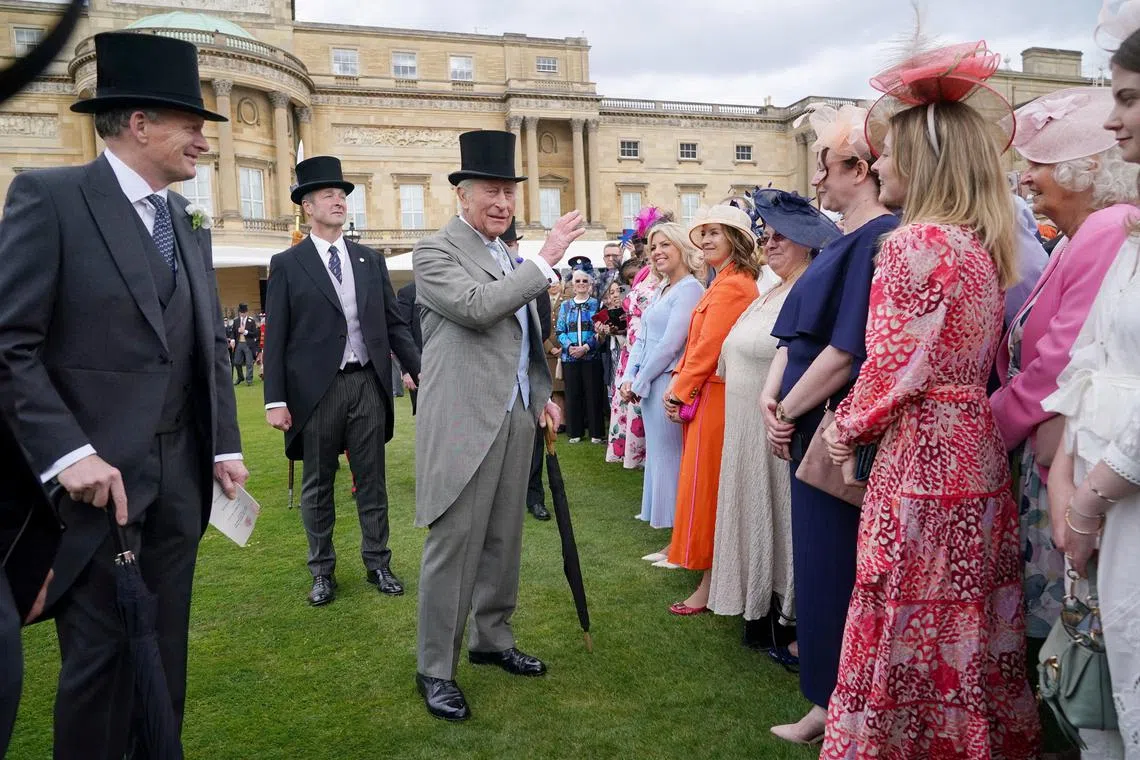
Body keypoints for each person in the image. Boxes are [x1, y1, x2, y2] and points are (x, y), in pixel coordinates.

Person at [0, 32, 248, 757]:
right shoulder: (51, 198)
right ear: (140, 123)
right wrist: (66, 453)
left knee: (164, 657)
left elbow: (203, 348)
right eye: (193, 125)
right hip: (90, 493)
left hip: (180, 486)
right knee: (102, 666)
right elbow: (8, 344)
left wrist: (224, 444)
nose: (205, 142)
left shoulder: (183, 224)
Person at [819, 42, 1040, 756]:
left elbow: (891, 368)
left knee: (904, 612)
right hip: (972, 455)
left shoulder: (916, 243)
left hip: (921, 462)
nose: (877, 164)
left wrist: (843, 428)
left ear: (920, 160)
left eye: (885, 153)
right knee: (963, 621)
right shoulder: (978, 247)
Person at [412, 129, 581, 722]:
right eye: (491, 190)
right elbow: (481, 310)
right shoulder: (434, 252)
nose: (503, 202)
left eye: (509, 192)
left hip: (515, 419)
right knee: (454, 545)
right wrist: (544, 258)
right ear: (462, 194)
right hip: (462, 421)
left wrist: (540, 396)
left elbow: (527, 338)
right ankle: (435, 668)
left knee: (503, 540)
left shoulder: (508, 255)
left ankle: (492, 639)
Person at [988, 87, 1138, 753]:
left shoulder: (1108, 230)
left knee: (1091, 628)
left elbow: (1060, 364)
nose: (1028, 179)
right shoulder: (1090, 233)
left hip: (1083, 463)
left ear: (1084, 171)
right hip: (1062, 456)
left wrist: (987, 426)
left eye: (1041, 165)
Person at [762, 102, 898, 746]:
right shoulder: (844, 241)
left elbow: (847, 350)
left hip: (831, 431)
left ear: (860, 168)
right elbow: (795, 336)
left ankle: (838, 703)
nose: (817, 182)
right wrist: (777, 399)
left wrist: (787, 409)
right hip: (805, 422)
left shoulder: (878, 237)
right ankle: (825, 698)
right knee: (818, 568)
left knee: (835, 568)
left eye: (826, 167)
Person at [1038, 22, 1140, 755]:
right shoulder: (1132, 234)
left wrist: (1094, 493)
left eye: (1130, 100)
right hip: (1103, 491)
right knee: (1117, 671)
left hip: (1125, 490)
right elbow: (1090, 356)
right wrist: (1069, 469)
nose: (1112, 120)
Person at [263, 156, 420, 607]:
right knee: (318, 484)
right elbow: (277, 339)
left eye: (342, 195)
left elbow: (394, 324)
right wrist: (275, 399)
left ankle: (378, 562)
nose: (339, 201)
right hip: (316, 391)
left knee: (372, 480)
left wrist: (418, 368)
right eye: (329, 195)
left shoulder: (369, 259)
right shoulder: (287, 263)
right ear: (307, 206)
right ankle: (322, 571)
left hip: (367, 385)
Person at [708, 189, 840, 651]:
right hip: (748, 427)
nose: (772, 243)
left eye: (785, 236)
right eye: (768, 235)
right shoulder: (773, 289)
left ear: (810, 242)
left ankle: (787, 615)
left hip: (779, 428)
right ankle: (757, 604)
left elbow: (816, 356)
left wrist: (787, 409)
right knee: (754, 511)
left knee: (780, 516)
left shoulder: (813, 286)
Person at [663, 203, 760, 614]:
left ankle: (708, 582)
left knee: (706, 489)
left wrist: (678, 390)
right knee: (702, 486)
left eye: (715, 233)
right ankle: (705, 571)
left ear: (735, 240)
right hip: (709, 393)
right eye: (702, 233)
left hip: (715, 396)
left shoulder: (735, 284)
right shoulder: (724, 281)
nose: (704, 240)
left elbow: (708, 347)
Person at [618, 223, 703, 541]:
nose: (657, 252)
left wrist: (639, 381)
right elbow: (642, 338)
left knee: (670, 454)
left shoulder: (691, 289)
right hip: (650, 382)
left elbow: (670, 343)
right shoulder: (662, 288)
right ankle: (663, 521)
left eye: (665, 245)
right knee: (658, 452)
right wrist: (630, 378)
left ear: (681, 248)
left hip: (668, 381)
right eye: (653, 247)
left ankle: (678, 532)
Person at [606, 250, 662, 467]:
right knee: (631, 403)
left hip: (648, 350)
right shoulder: (643, 280)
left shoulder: (668, 282)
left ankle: (649, 455)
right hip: (632, 351)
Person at [556, 261, 606, 444]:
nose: (581, 284)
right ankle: (575, 432)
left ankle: (596, 433)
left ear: (590, 284)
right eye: (578, 281)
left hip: (591, 356)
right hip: (570, 357)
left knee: (593, 394)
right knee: (573, 394)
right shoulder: (565, 306)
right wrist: (570, 347)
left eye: (585, 280)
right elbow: (560, 331)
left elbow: (600, 330)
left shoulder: (597, 304)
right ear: (572, 284)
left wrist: (585, 347)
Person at [396, 280, 422, 414]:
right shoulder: (408, 293)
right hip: (419, 368)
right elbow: (401, 332)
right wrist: (407, 371)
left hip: (448, 365)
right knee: (424, 415)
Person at [232, 302, 258, 386]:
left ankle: (249, 379)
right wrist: (232, 339)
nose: (242, 314)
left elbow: (255, 333)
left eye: (244, 312)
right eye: (241, 312)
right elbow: (233, 332)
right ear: (239, 312)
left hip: (248, 344)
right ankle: (240, 377)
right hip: (239, 343)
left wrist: (245, 332)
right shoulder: (236, 321)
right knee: (236, 362)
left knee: (249, 362)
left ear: (247, 312)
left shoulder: (251, 321)